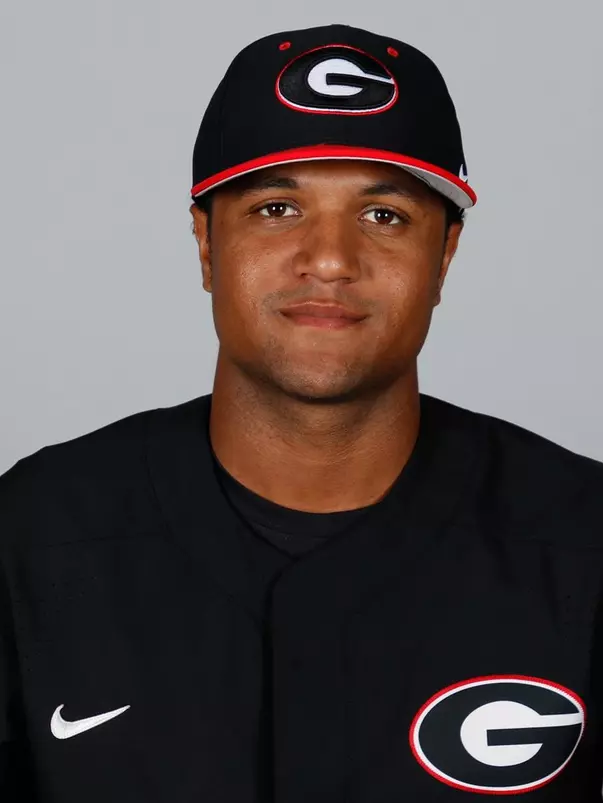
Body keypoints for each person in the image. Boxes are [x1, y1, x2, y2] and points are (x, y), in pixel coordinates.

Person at [1, 21, 602, 802]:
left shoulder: (581, 542)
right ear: (206, 244)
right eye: (277, 207)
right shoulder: (33, 537)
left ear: (444, 255)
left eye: (383, 215)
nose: (329, 258)